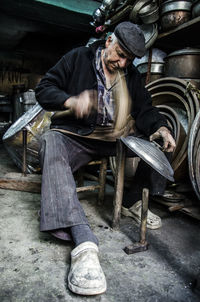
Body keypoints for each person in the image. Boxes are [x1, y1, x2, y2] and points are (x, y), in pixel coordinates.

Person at [35, 21, 176, 296]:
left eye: (128, 59)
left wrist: (160, 127)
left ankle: (132, 201)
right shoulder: (79, 57)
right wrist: (69, 101)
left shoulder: (131, 74)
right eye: (119, 54)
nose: (122, 63)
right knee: (51, 143)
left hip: (113, 140)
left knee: (158, 143)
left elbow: (146, 107)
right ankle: (83, 242)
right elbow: (44, 89)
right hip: (78, 136)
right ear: (109, 41)